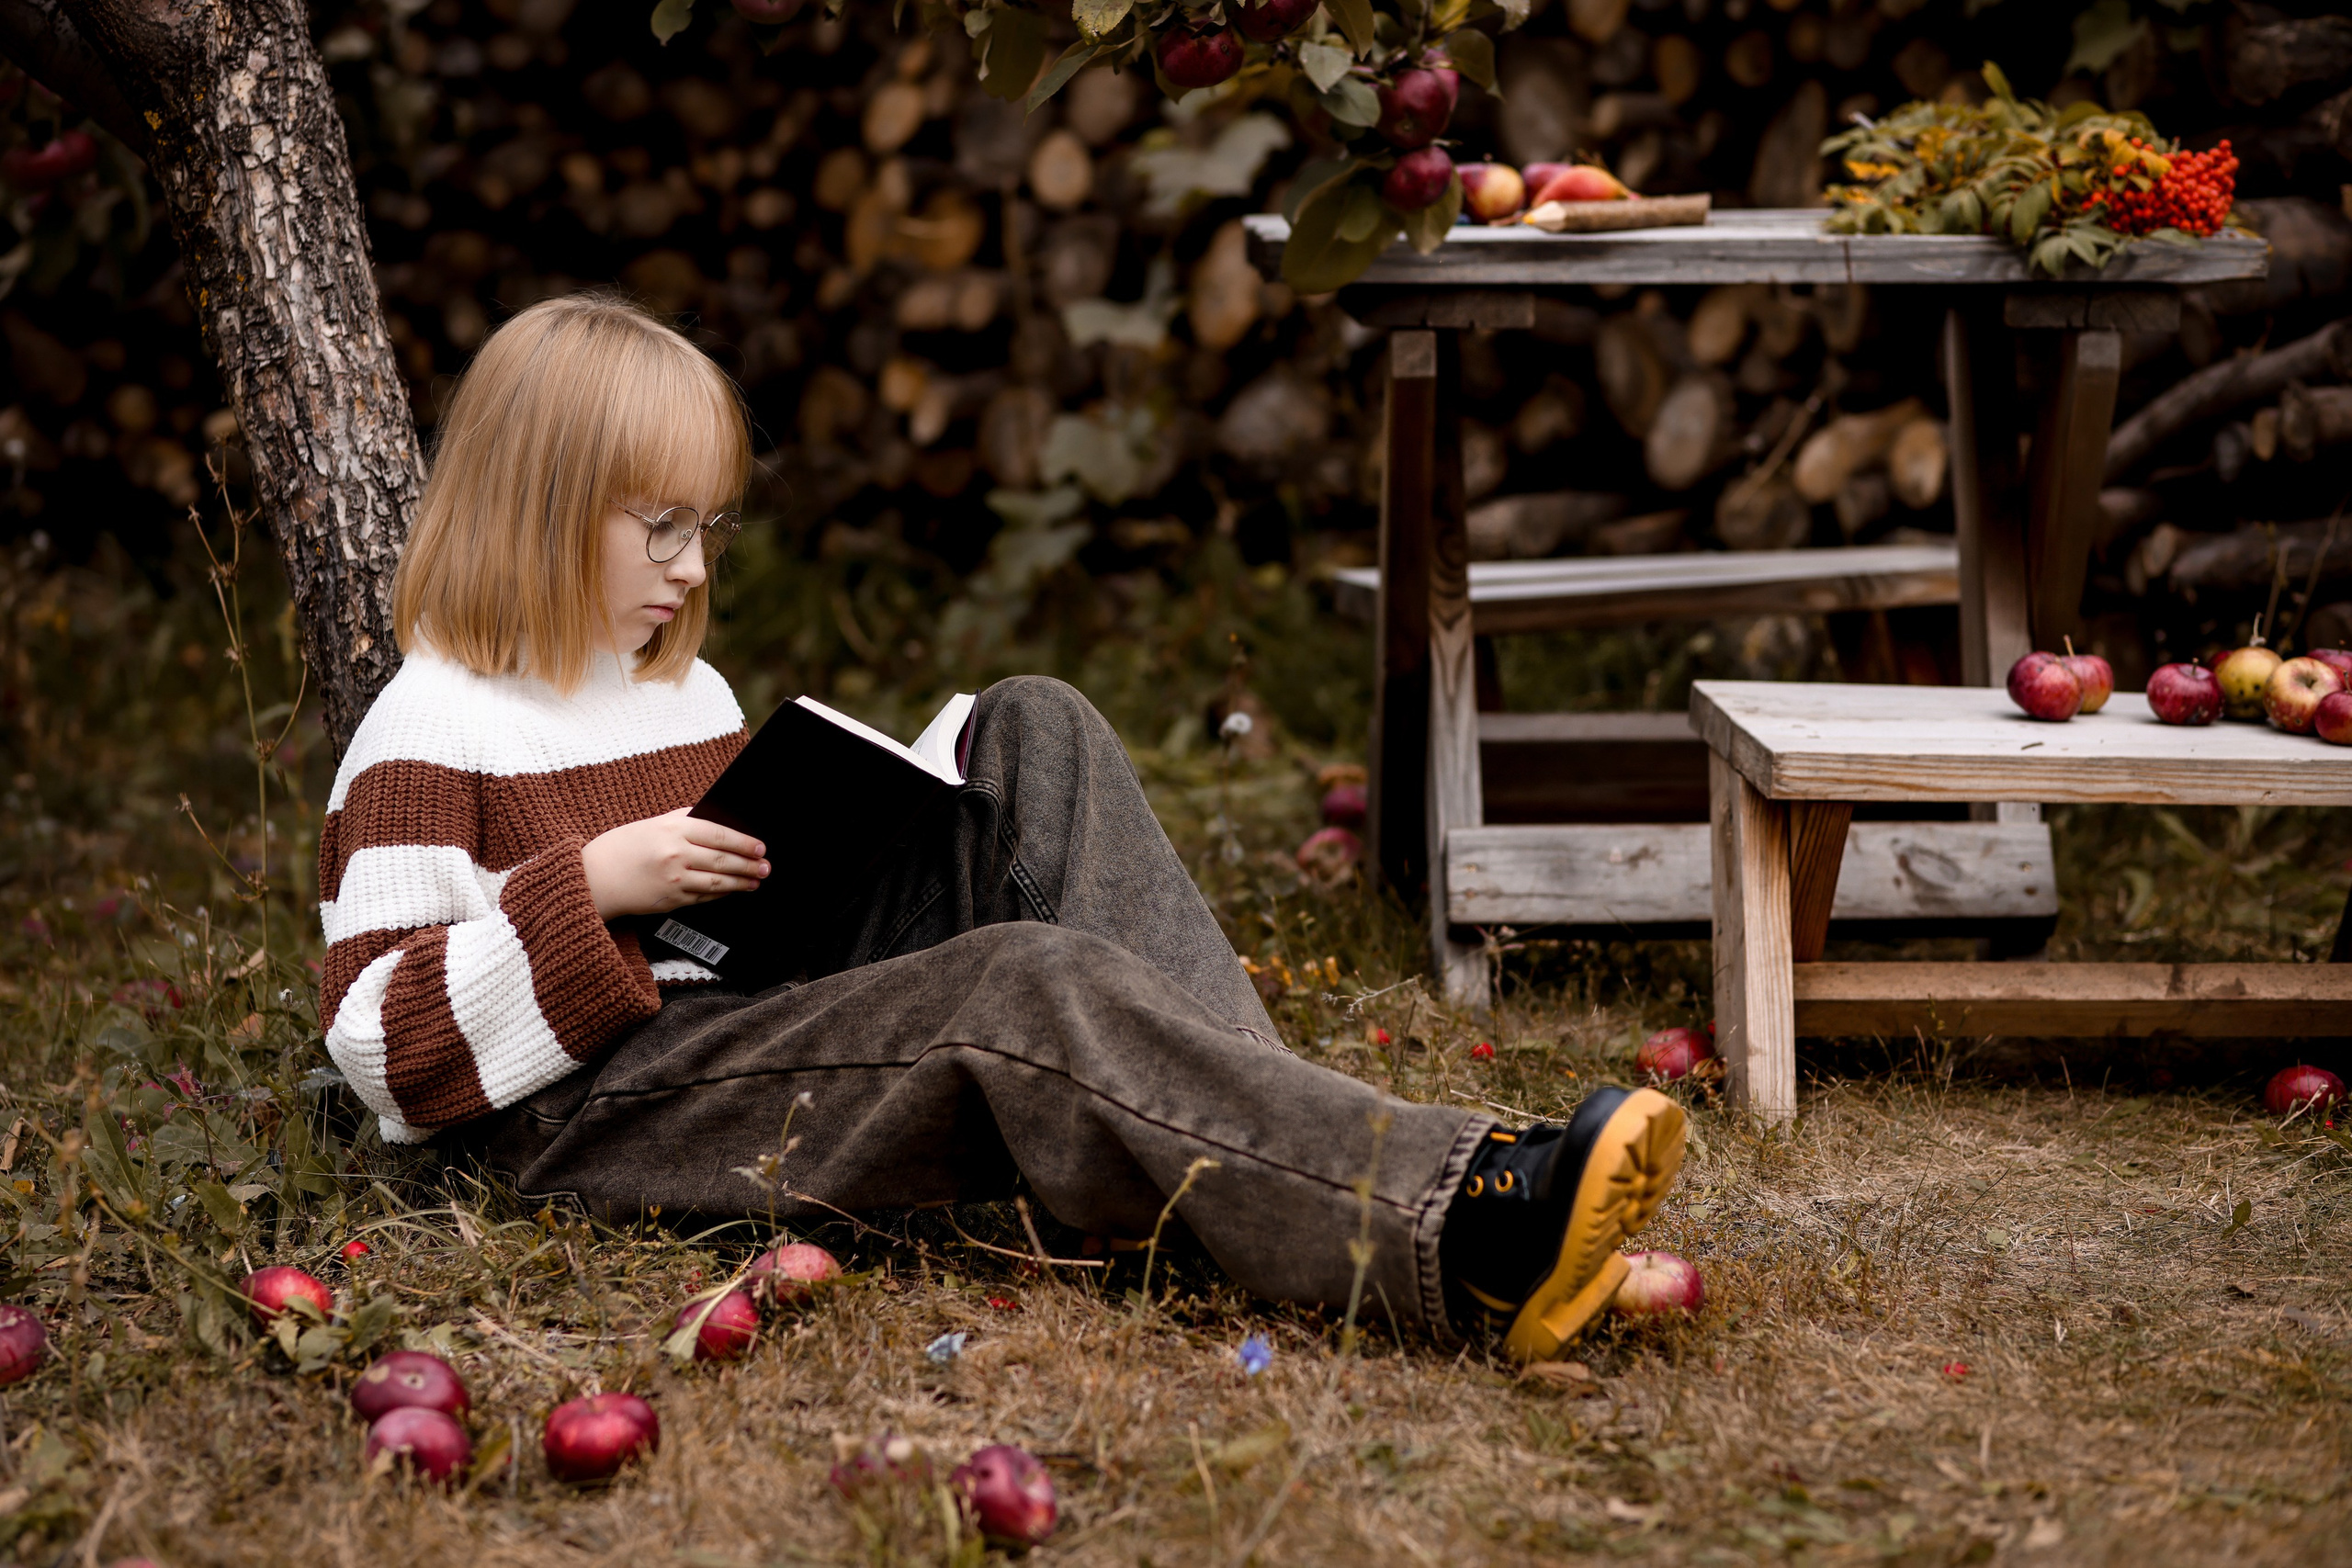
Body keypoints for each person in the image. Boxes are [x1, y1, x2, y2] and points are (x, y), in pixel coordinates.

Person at [317, 293, 1686, 1363]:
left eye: (710, 530)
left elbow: (741, 922)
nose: (691, 568)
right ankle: (1455, 1226)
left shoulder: (682, 686)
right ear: (540, 511)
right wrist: (593, 887)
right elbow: (380, 1049)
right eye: (660, 526)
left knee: (1037, 723)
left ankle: (1287, 1161)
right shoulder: (432, 728)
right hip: (587, 1116)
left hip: (734, 1017)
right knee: (1023, 987)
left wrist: (876, 825)